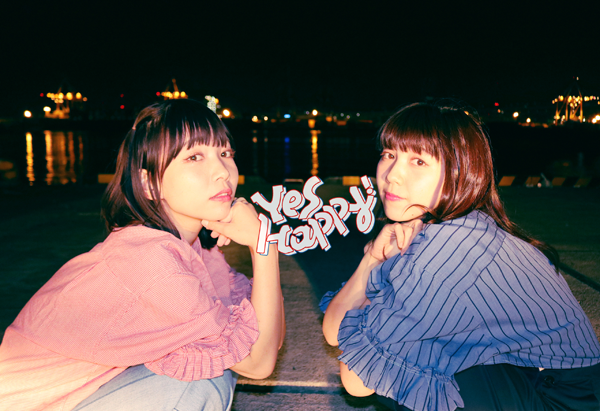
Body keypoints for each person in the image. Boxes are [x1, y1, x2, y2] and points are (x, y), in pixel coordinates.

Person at [0, 99, 285, 411]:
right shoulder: (152, 262)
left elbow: (264, 336)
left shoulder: (193, 248)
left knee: (215, 366)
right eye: (194, 157)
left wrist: (261, 242)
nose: (222, 172)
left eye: (225, 153)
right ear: (150, 184)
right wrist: (264, 247)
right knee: (199, 383)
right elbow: (258, 363)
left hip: (76, 394)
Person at [321, 101, 600, 411]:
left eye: (418, 161)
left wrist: (376, 314)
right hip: (528, 376)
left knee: (407, 378)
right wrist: (372, 258)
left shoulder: (448, 250)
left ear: (458, 173)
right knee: (413, 362)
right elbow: (333, 332)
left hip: (561, 397)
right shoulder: (445, 226)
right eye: (389, 154)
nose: (392, 175)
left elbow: (357, 381)